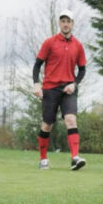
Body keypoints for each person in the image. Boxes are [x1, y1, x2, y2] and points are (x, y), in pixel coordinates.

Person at [33, 10, 87, 171]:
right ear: (59, 23)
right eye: (63, 21)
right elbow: (37, 65)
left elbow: (82, 70)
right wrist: (36, 84)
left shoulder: (78, 45)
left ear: (72, 24)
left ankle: (75, 158)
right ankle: (43, 159)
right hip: (49, 88)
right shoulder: (49, 42)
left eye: (68, 21)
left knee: (71, 119)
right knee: (47, 125)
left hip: (68, 89)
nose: (65, 24)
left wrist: (74, 83)